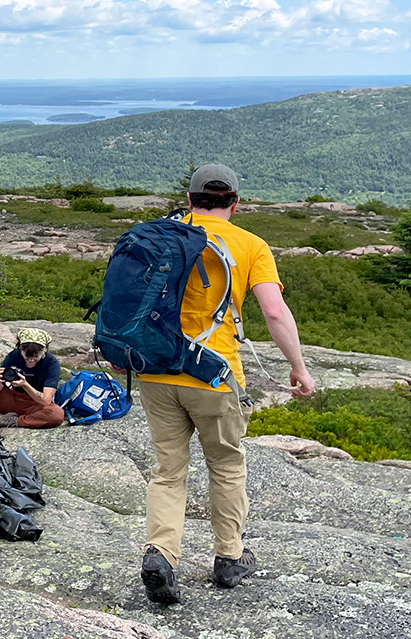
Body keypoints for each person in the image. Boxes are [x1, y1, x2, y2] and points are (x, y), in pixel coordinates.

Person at [137, 163, 316, 605]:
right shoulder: (250, 244)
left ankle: (161, 554)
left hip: (155, 369)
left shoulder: (160, 235)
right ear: (236, 202)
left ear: (191, 197)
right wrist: (298, 366)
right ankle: (229, 558)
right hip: (213, 374)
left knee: (168, 471)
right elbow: (274, 312)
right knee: (227, 465)